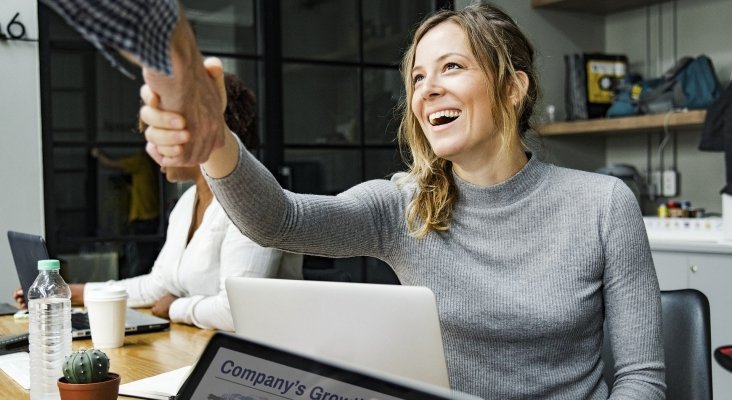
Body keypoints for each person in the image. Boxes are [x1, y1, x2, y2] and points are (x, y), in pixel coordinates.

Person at [41, 1, 665, 398]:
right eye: (418, 76)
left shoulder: (603, 206)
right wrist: (216, 138)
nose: (427, 89)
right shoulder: (403, 205)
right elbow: (278, 218)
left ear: (512, 87)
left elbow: (640, 379)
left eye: (451, 68)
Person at [15, 74, 303, 331]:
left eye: (162, 132)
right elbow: (157, 286)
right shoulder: (186, 202)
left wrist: (176, 307)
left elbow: (235, 312)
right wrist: (69, 292)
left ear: (204, 132)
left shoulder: (253, 200)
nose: (152, 147)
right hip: (200, 345)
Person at [90, 147, 161, 278]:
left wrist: (97, 154)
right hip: (150, 218)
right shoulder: (151, 165)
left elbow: (110, 164)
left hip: (143, 219)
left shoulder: (141, 160)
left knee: (139, 262)